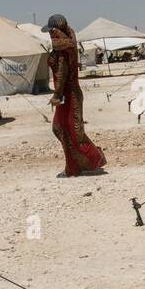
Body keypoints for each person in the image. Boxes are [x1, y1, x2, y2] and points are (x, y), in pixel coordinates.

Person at [42, 14, 107, 177]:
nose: (50, 35)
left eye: (51, 32)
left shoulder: (62, 49)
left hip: (68, 95)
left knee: (67, 131)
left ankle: (77, 166)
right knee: (65, 130)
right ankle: (88, 160)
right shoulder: (68, 43)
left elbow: (62, 72)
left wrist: (57, 94)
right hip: (70, 93)